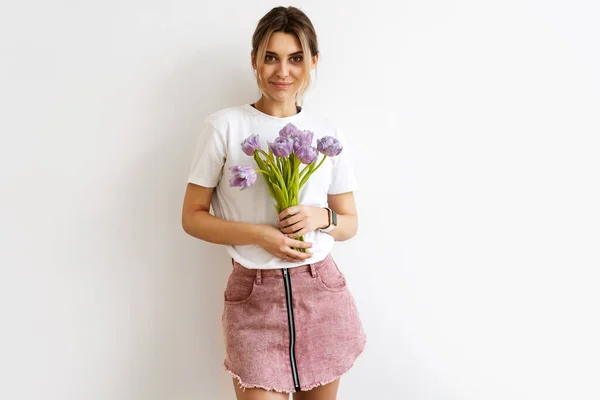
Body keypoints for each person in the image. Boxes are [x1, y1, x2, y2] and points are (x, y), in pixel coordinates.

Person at [181, 6, 366, 400]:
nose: (283, 71)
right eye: (271, 57)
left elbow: (349, 223)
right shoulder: (225, 127)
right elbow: (192, 217)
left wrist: (321, 216)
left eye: (296, 58)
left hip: (321, 292)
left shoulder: (326, 132)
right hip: (254, 298)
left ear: (313, 62)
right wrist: (260, 235)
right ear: (254, 61)